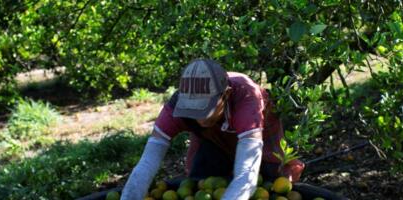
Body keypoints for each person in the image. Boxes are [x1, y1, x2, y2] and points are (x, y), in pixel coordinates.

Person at [121, 59, 304, 199]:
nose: (201, 118)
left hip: (257, 133)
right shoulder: (175, 107)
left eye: (205, 108)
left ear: (226, 95)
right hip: (213, 138)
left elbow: (247, 172)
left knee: (268, 182)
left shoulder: (246, 98)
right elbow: (147, 163)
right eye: (193, 109)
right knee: (202, 180)